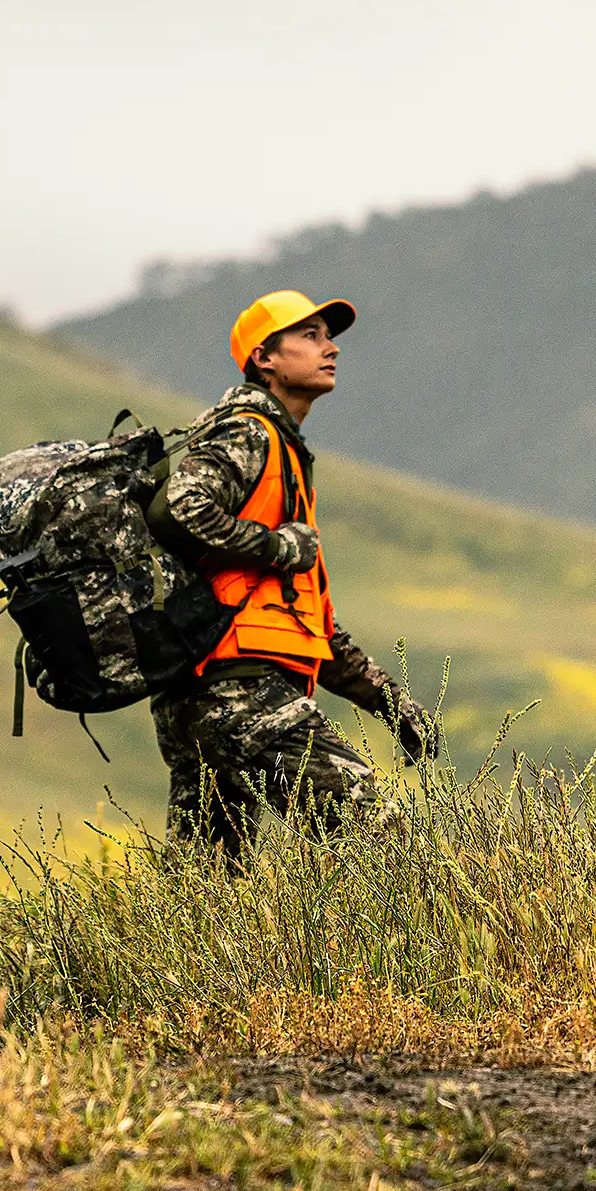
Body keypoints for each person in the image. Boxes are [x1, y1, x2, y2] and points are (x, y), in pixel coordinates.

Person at [147, 288, 431, 853]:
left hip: (205, 694)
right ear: (264, 359)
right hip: (236, 688)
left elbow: (312, 628)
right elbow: (180, 505)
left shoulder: (284, 453)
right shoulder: (247, 431)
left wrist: (391, 704)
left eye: (330, 337)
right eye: (311, 336)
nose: (332, 349)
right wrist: (278, 547)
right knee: (385, 844)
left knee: (206, 893)